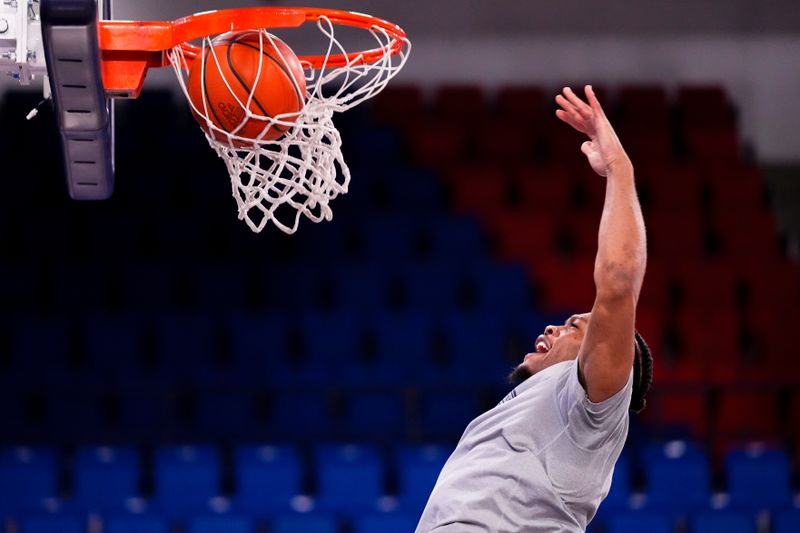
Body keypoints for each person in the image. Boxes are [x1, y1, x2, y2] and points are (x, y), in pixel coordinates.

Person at [416, 85, 653, 532]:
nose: (553, 326)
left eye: (574, 326)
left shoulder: (589, 407)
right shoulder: (533, 411)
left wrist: (620, 169)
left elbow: (619, 280)